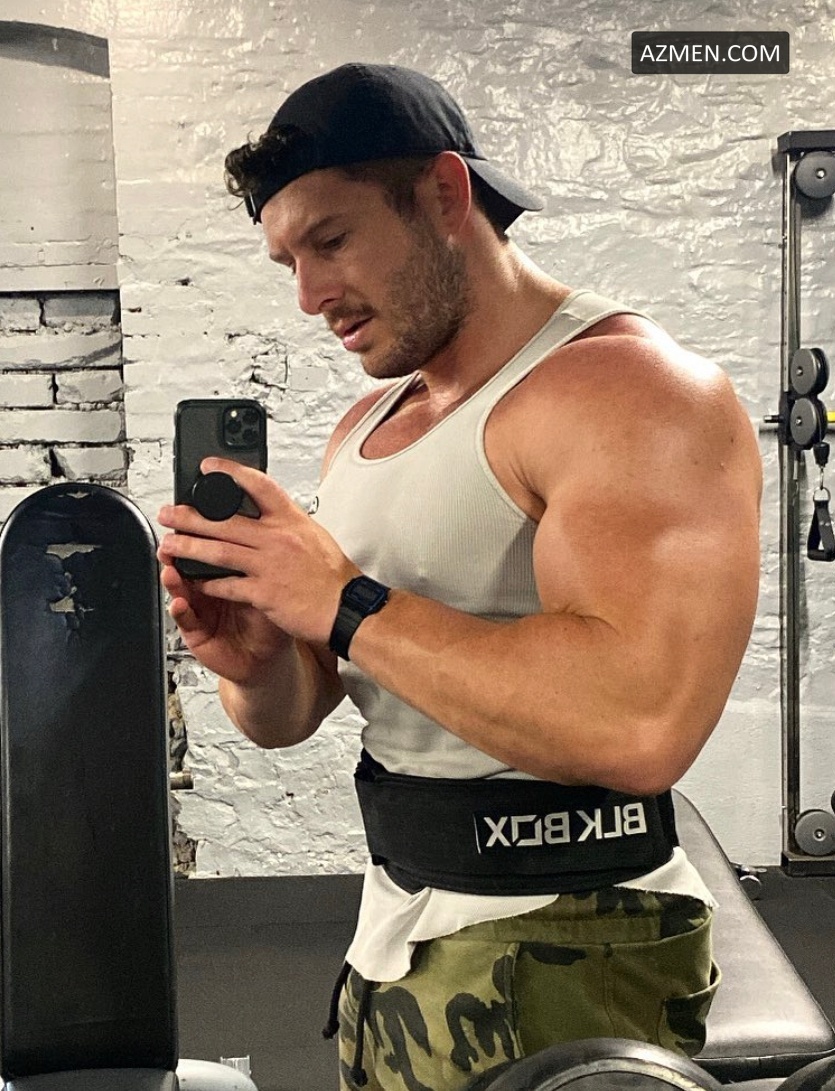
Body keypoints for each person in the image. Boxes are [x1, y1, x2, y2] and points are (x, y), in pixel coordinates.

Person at [157, 63, 763, 1091]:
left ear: (445, 194)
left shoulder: (630, 391)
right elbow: (297, 712)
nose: (308, 297)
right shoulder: (366, 425)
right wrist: (257, 660)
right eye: (288, 262)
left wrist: (344, 601)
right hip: (401, 930)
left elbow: (641, 723)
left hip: (567, 947)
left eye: (331, 240)